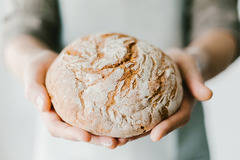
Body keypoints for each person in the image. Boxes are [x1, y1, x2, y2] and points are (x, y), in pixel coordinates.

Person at [2, 0, 239, 159]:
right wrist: (33, 59)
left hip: (177, 132)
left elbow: (219, 20)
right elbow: (22, 24)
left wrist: (197, 61)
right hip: (68, 135)